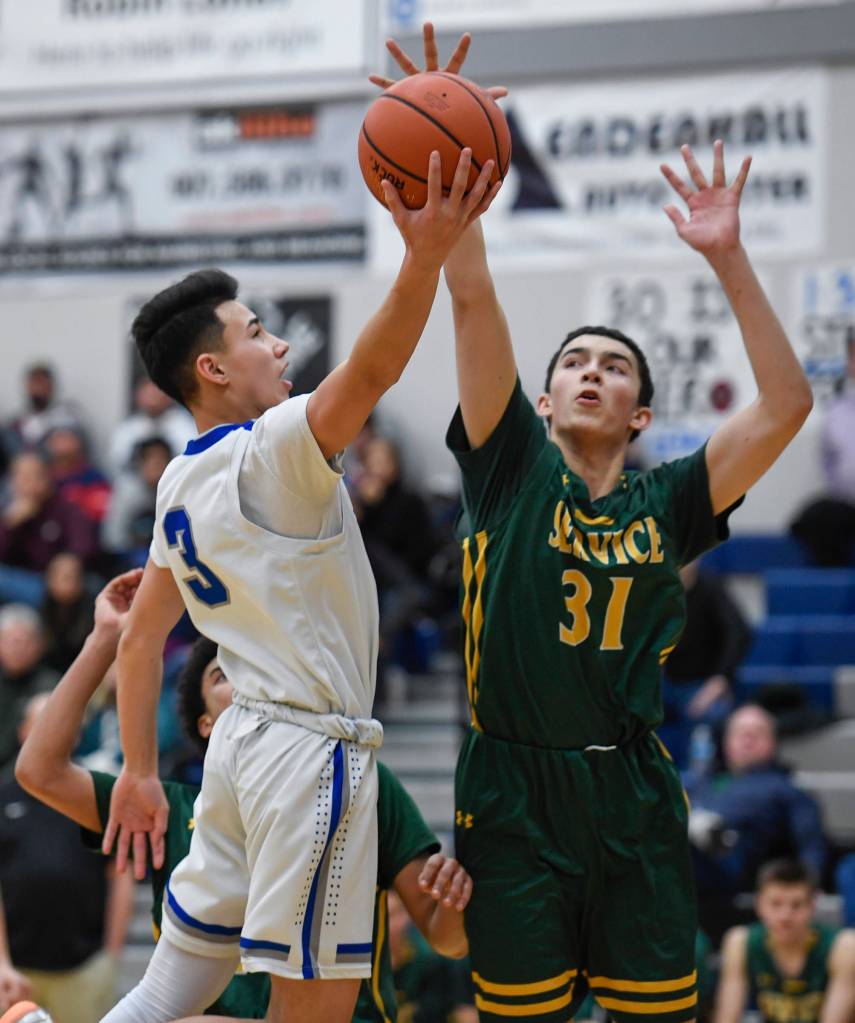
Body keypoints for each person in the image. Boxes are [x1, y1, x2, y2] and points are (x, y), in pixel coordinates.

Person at [376, 24, 813, 1023]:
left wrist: (731, 258)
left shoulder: (670, 503)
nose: (590, 371)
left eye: (613, 367)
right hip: (514, 795)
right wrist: (454, 157)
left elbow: (786, 406)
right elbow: (473, 290)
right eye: (574, 360)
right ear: (542, 396)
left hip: (635, 798)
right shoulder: (509, 465)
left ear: (640, 414)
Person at [101, 149, 499, 1023]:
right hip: (303, 755)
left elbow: (138, 641)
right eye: (254, 332)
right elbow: (374, 368)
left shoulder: (176, 480)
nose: (277, 344)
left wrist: (136, 767)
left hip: (237, 752)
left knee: (169, 987)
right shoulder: (273, 446)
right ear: (212, 369)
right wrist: (424, 250)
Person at [15, 571, 474, 1022]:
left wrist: (454, 902)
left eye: (255, 670)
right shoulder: (167, 809)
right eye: (223, 675)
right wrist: (106, 638)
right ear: (208, 724)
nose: (248, 684)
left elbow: (448, 938)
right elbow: (39, 770)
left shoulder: (355, 779)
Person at [0, 692, 133, 1023]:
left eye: (60, 723)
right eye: (41, 722)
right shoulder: (2, 795)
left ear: (74, 735)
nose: (51, 732)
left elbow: (120, 873)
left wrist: (110, 957)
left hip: (83, 968)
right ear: (22, 732)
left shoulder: (94, 795)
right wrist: (0, 961)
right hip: (13, 972)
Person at [686, 704, 827, 899]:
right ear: (726, 741)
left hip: (731, 866)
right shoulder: (699, 782)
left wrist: (810, 880)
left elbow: (810, 843)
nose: (747, 739)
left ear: (773, 742)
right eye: (740, 733)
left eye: (757, 733)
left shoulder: (785, 788)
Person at [715, 859, 855, 1023]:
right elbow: (726, 1019)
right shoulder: (740, 941)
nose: (785, 916)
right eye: (775, 904)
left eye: (796, 905)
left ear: (812, 905)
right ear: (759, 904)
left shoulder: (844, 947)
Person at [659, 559, 751, 768]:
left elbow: (739, 633)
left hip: (703, 684)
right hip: (665, 682)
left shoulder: (711, 588)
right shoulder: (656, 589)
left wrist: (720, 680)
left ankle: (699, 780)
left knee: (711, 714)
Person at [0, 452, 98, 606]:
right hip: (27, 583)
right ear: (12, 482)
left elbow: (85, 544)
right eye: (24, 477)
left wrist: (67, 561)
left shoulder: (65, 508)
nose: (31, 483)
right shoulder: (8, 514)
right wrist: (9, 525)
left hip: (65, 577)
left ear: (48, 477)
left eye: (37, 475)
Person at [0, 605, 59, 771]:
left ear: (39, 645)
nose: (18, 648)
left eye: (26, 641)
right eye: (12, 641)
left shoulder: (50, 685)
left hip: (28, 774)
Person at [107, 379, 195, 479]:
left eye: (156, 392)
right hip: (136, 487)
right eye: (148, 394)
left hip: (174, 483)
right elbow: (117, 463)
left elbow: (191, 463)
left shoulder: (185, 426)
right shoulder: (127, 429)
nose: (152, 398)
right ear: (138, 396)